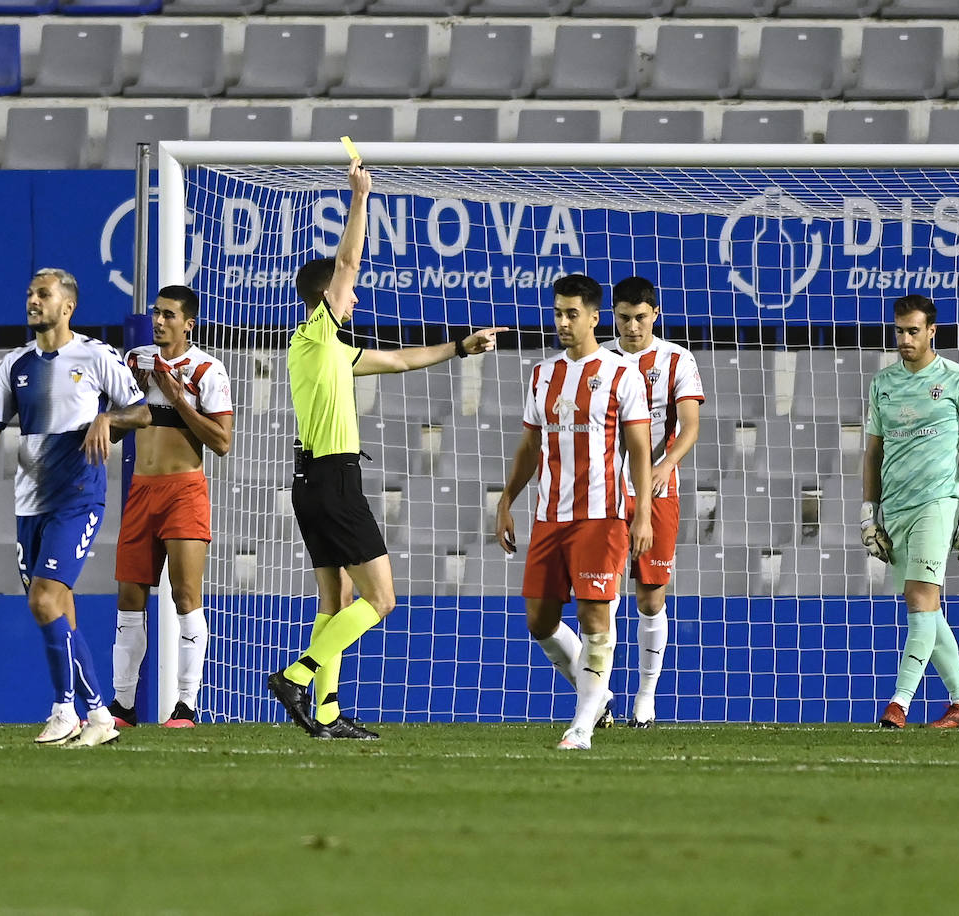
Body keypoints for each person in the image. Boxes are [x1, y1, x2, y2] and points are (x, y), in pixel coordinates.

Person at [265, 158, 506, 739]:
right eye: (345, 295)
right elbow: (348, 260)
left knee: (336, 599)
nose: (354, 300)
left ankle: (324, 713)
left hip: (309, 484)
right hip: (335, 481)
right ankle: (298, 675)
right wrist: (361, 195)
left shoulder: (324, 350)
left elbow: (399, 360)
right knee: (380, 600)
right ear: (326, 297)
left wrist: (462, 348)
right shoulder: (321, 330)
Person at [0, 268, 150, 747]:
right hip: (29, 501)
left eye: (43, 294)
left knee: (45, 599)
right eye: (29, 294)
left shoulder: (95, 355)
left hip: (78, 497)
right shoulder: (15, 364)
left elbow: (143, 410)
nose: (33, 301)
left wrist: (107, 416)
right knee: (56, 608)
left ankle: (77, 710)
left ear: (68, 306)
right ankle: (86, 714)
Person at [496, 273, 655, 751]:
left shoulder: (620, 373)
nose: (563, 322)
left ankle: (582, 725)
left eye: (572, 314)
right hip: (550, 515)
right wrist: (507, 500)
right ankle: (598, 695)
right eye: (558, 312)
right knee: (539, 623)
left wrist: (642, 511)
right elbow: (530, 443)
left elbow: (640, 448)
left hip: (602, 514)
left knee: (595, 618)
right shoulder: (543, 373)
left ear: (593, 317)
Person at [863, 294, 959, 730]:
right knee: (926, 609)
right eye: (899, 330)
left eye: (913, 330)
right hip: (896, 508)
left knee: (920, 600)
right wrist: (869, 513)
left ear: (931, 330)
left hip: (938, 503)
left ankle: (898, 703)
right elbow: (872, 453)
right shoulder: (882, 384)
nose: (904, 338)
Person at [108, 286, 233, 730]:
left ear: (188, 324)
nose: (158, 321)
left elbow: (221, 442)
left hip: (183, 492)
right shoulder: (134, 361)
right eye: (156, 313)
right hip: (141, 491)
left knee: (185, 596)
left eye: (168, 315)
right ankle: (122, 706)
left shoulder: (207, 370)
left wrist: (179, 400)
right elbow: (115, 432)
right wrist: (130, 403)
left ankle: (185, 706)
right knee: (129, 597)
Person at [604, 277, 704, 729]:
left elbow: (690, 426)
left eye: (641, 317)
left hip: (659, 492)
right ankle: (596, 699)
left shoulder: (676, 358)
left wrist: (666, 466)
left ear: (655, 315)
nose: (632, 326)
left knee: (649, 598)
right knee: (600, 597)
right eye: (624, 317)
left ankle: (645, 699)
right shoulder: (600, 359)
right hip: (604, 493)